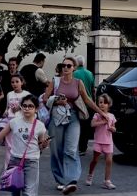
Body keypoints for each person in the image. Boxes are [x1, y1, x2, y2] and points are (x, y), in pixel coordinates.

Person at [43, 56, 107, 195]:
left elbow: (87, 99)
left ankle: (71, 180)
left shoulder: (78, 82)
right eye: (63, 65)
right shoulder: (55, 81)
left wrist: (102, 112)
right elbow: (45, 99)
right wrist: (56, 101)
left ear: (74, 68)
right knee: (56, 150)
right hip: (57, 117)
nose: (65, 68)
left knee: (71, 149)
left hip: (73, 117)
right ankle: (60, 180)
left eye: (69, 66)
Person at [0, 95, 49, 196]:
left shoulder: (40, 126)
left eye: (30, 106)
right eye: (24, 106)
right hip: (15, 160)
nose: (27, 108)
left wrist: (44, 144)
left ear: (36, 109)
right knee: (15, 190)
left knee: (29, 193)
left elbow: (40, 145)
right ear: (21, 107)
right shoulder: (14, 122)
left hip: (32, 162)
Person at [85, 94, 117, 190]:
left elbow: (114, 128)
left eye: (105, 103)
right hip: (98, 141)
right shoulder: (97, 115)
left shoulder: (111, 116)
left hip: (108, 142)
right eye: (100, 102)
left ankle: (107, 181)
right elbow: (92, 124)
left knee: (109, 161)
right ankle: (90, 175)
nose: (102, 105)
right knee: (95, 160)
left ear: (109, 104)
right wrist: (102, 122)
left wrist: (112, 129)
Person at [73, 55, 95, 155]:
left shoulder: (74, 74)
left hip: (78, 103)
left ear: (76, 63)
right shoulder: (90, 73)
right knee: (85, 128)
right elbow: (93, 89)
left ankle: (76, 147)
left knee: (77, 125)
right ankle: (83, 148)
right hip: (88, 103)